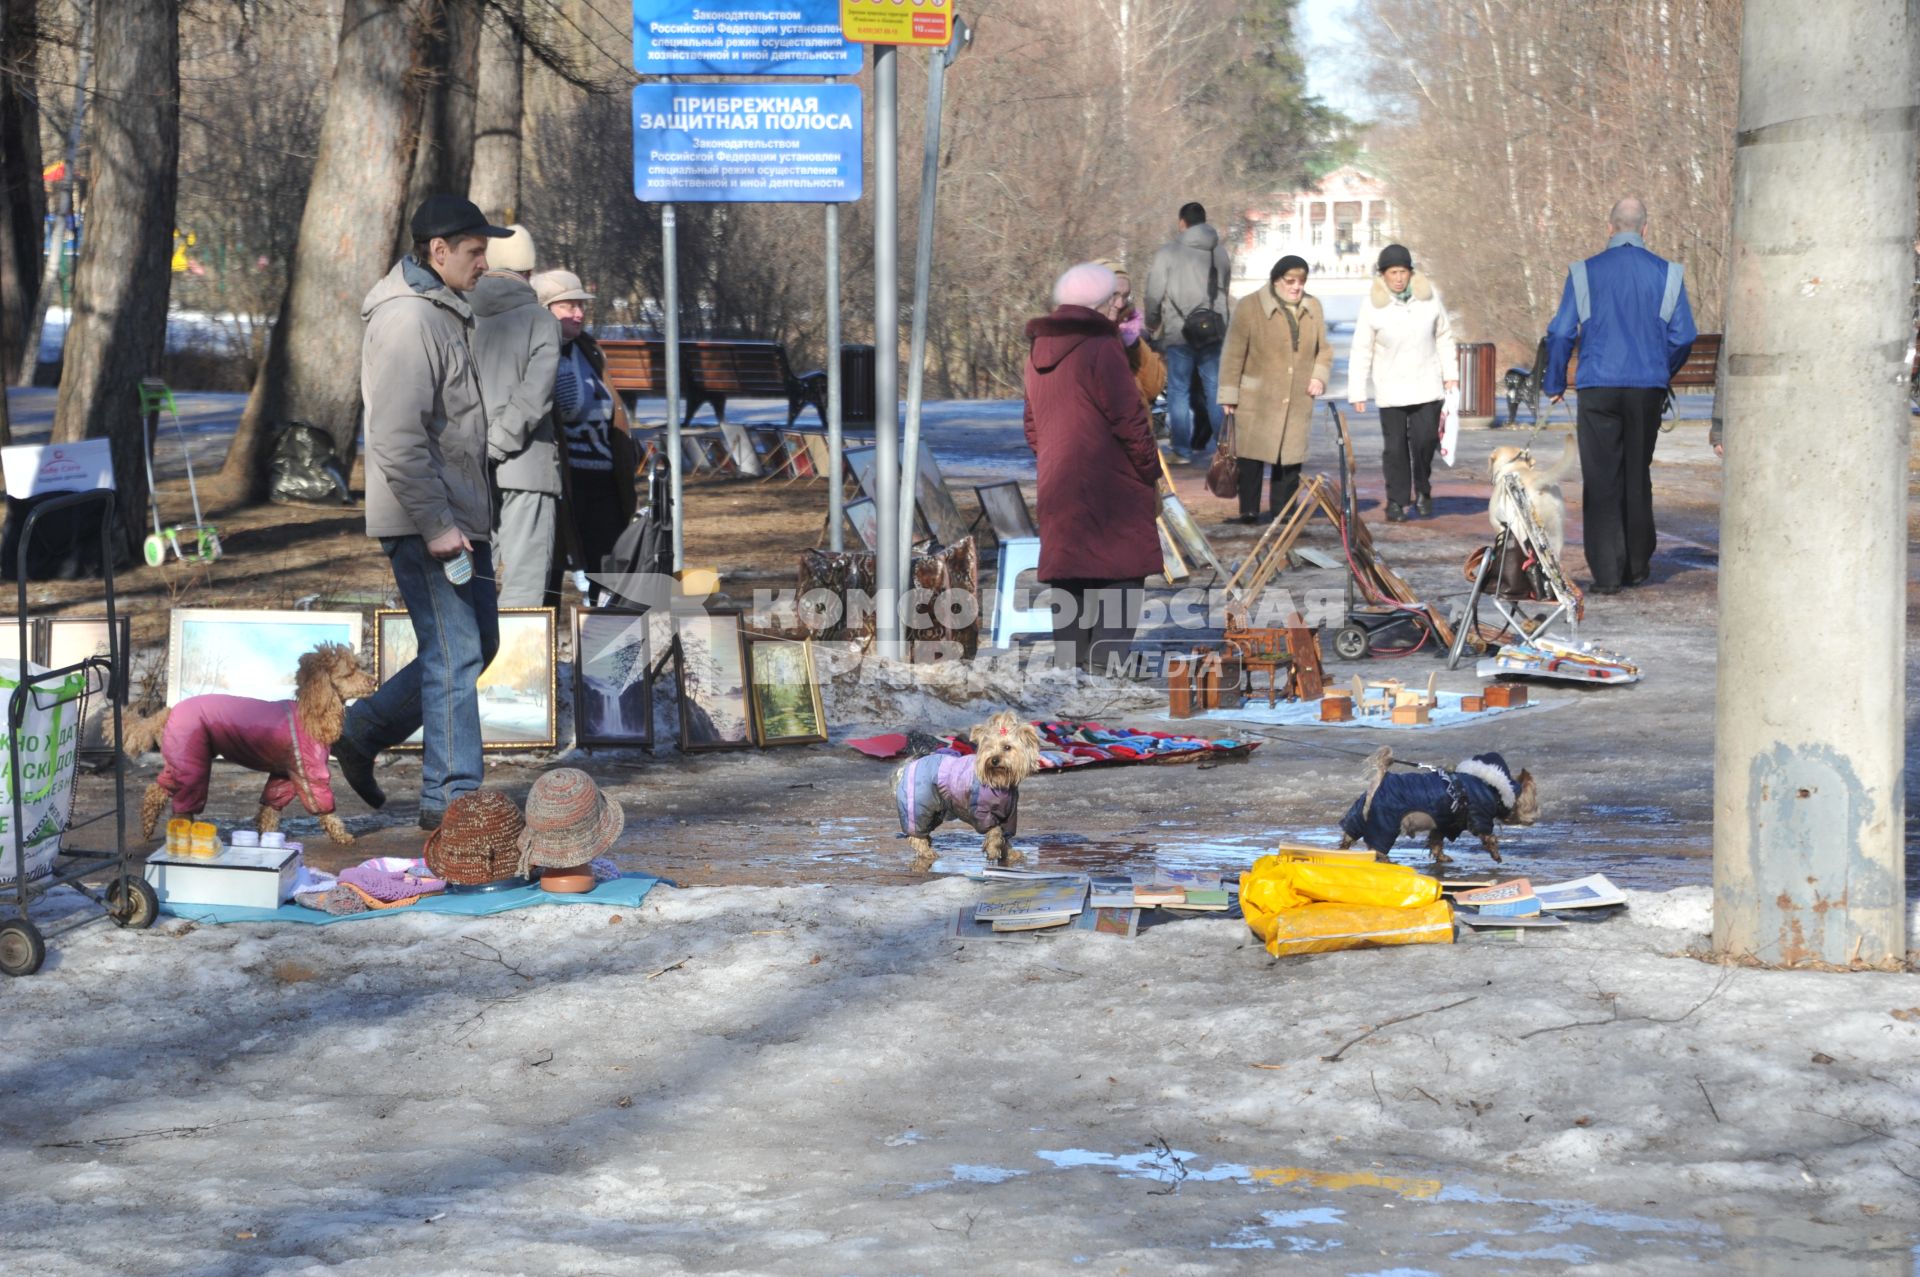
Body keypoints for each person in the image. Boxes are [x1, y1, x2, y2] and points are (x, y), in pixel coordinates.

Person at [333, 195, 511, 830]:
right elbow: (398, 439)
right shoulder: (409, 320)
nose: (484, 262)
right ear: (438, 252)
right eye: (475, 251)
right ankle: (453, 799)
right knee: (456, 651)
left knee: (475, 644)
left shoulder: (438, 311)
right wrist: (438, 526)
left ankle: (361, 731)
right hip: (427, 521)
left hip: (453, 517)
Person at [1543, 196, 1696, 593]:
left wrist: (1555, 381)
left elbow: (1561, 331)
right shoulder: (1670, 274)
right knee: (1636, 473)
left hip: (1598, 386)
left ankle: (1607, 574)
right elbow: (1684, 336)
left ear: (1610, 228)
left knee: (1601, 477)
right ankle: (1637, 564)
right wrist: (1662, 371)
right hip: (1646, 387)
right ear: (1645, 230)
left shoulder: (1582, 272)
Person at [1022, 262, 1162, 675]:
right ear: (1098, 304)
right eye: (1115, 300)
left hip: (1058, 479)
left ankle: (1071, 665)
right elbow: (1129, 418)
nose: (1120, 308)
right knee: (1123, 569)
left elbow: (1031, 423)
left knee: (1071, 569)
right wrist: (1147, 469)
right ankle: (1106, 663)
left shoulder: (1037, 350)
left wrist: (1055, 456)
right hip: (1111, 481)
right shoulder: (1103, 348)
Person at [471, 224, 562, 607]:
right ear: (529, 272)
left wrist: (479, 447)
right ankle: (517, 668)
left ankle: (475, 665)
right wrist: (498, 444)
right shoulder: (540, 321)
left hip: (467, 463)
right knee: (523, 586)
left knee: (474, 581)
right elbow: (533, 398)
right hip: (526, 465)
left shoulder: (456, 313)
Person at [533, 268, 637, 582]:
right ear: (544, 309)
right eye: (568, 306)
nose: (578, 314)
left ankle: (603, 627)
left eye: (581, 306)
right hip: (563, 482)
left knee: (608, 570)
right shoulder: (536, 354)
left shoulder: (589, 350)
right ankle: (545, 630)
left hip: (604, 480)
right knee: (548, 570)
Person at [1346, 244, 1458, 522]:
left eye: (1403, 272)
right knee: (1394, 448)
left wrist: (1450, 373)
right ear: (1382, 275)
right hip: (1390, 387)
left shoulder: (1429, 299)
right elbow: (1362, 348)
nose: (1398, 278)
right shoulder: (1373, 305)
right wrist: (1357, 391)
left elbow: (1444, 335)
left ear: (1411, 273)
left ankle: (1423, 489)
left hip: (1426, 385)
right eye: (1393, 272)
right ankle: (1396, 501)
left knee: (1425, 441)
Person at [1217, 256, 1331, 525]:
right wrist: (1229, 394)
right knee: (1251, 457)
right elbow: (1234, 353)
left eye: (1301, 282)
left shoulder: (1313, 307)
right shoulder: (1250, 306)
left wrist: (1319, 376)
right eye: (1290, 281)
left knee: (1289, 458)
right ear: (1276, 280)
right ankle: (1249, 510)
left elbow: (1324, 350)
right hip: (1257, 396)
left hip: (1297, 396)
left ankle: (1285, 510)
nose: (1296, 287)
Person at [1144, 201, 1233, 463]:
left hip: (1179, 332)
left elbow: (1154, 292)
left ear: (1182, 223)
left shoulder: (1168, 253)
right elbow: (1224, 288)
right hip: (1213, 331)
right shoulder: (1220, 253)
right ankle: (1225, 449)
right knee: (1215, 389)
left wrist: (1153, 321)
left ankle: (1181, 450)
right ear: (1205, 222)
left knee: (1179, 390)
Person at [1093, 258, 1165, 416]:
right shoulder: (1072, 332)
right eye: (1113, 295)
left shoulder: (1130, 330)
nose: (1120, 304)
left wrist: (1134, 347)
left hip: (1135, 431)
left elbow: (1153, 388)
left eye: (1125, 296)